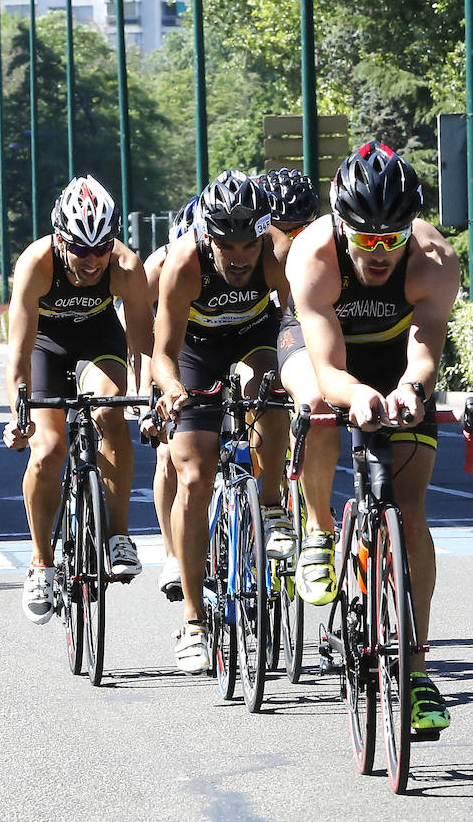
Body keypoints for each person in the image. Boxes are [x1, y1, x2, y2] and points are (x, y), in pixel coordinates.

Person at [278, 141, 459, 733]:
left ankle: (416, 672)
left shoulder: (432, 258)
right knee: (315, 402)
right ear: (340, 225)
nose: (379, 254)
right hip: (322, 352)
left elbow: (427, 347)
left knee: (410, 517)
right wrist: (356, 397)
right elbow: (329, 370)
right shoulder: (313, 254)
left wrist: (410, 388)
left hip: (393, 356)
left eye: (392, 239)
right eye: (366, 239)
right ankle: (320, 529)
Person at [151, 169, 291, 674]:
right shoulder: (183, 264)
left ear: (262, 235)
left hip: (256, 336)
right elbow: (161, 353)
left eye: (247, 244)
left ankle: (271, 506)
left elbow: (300, 320)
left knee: (268, 390)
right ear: (206, 235)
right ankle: (193, 620)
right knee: (194, 474)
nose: (237, 256)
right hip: (196, 354)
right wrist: (170, 391)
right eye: (225, 243)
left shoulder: (277, 254)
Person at [2, 175, 154, 624]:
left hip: (98, 340)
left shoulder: (126, 266)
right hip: (46, 346)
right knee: (47, 450)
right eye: (81, 249)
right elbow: (18, 354)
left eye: (101, 248)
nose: (92, 260)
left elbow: (142, 347)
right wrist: (19, 416)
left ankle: (119, 534)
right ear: (60, 238)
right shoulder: (37, 263)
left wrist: (146, 403)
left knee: (111, 410)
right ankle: (41, 564)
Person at [140, 197, 200, 601]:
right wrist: (149, 399)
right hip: (177, 349)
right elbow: (144, 344)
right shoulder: (157, 269)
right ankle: (173, 554)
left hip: (231, 341)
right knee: (166, 453)